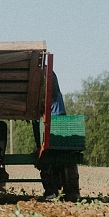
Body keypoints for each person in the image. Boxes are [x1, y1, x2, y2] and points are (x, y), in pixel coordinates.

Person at [35, 72, 80, 202]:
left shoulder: (42, 74)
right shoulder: (48, 73)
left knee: (49, 151)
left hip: (46, 116)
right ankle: (68, 191)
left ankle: (51, 190)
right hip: (55, 115)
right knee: (60, 148)